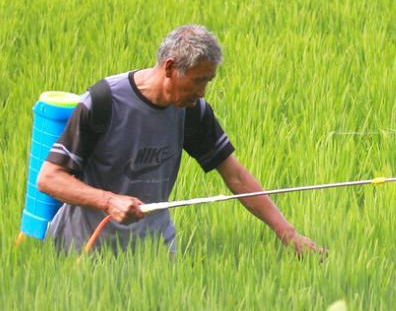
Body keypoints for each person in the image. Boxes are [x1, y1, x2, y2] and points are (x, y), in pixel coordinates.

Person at [37, 24, 322, 257]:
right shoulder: (104, 102)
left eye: (208, 81)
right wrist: (109, 200)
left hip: (153, 256)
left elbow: (235, 175)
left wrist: (288, 233)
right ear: (170, 68)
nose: (203, 92)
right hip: (83, 251)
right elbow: (49, 178)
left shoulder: (191, 111)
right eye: (199, 80)